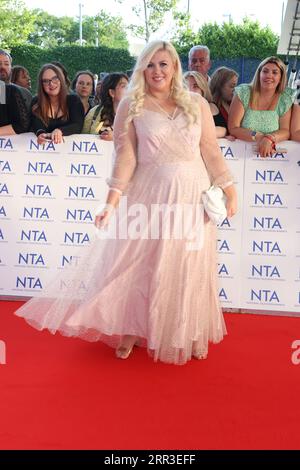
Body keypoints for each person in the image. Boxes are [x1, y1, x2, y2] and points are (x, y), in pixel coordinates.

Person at [15, 40, 237, 365]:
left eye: (163, 64)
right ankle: (130, 328)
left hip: (192, 195)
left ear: (175, 66)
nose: (157, 71)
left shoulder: (196, 104)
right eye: (150, 64)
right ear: (142, 68)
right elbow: (126, 157)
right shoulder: (131, 104)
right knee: (140, 263)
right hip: (148, 194)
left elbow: (210, 151)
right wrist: (111, 202)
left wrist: (229, 188)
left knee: (188, 264)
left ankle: (190, 330)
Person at [228, 56, 293, 157]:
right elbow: (233, 128)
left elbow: (285, 131)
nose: (269, 75)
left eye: (275, 72)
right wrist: (260, 137)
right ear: (259, 74)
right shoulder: (243, 92)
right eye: (265, 71)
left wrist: (270, 138)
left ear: (281, 78)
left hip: (273, 159)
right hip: (241, 155)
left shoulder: (284, 99)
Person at [31, 64, 84, 144]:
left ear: (61, 80)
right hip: (42, 153)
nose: (51, 84)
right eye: (45, 81)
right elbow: (36, 126)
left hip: (68, 152)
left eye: (55, 78)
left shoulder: (74, 100)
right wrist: (40, 134)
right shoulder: (36, 101)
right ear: (41, 85)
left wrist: (60, 131)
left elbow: (77, 125)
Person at [82, 72, 128, 140]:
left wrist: (115, 138)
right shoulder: (95, 112)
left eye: (130, 86)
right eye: (124, 86)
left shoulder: (136, 114)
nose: (129, 90)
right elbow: (82, 139)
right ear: (112, 92)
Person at [183, 70, 227, 137]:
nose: (190, 90)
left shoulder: (211, 106)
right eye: (185, 87)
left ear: (203, 89)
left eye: (195, 86)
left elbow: (223, 130)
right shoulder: (176, 109)